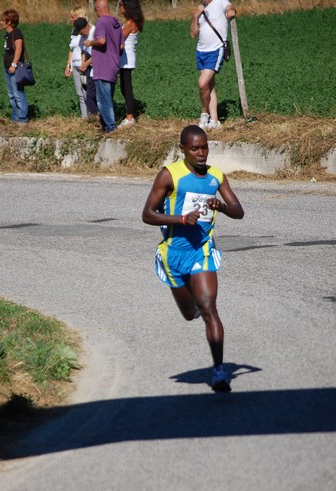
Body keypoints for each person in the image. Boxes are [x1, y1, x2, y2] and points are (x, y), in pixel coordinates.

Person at [142, 125, 244, 392]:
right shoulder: (169, 175)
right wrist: (181, 219)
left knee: (210, 308)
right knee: (191, 314)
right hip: (173, 254)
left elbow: (238, 211)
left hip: (202, 250)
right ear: (183, 150)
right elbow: (148, 214)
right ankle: (196, 305)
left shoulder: (216, 176)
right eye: (195, 148)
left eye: (205, 147)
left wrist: (220, 205)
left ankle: (220, 372)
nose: (201, 153)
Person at [190, 0, 236, 130]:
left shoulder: (219, 1)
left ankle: (204, 113)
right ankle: (214, 121)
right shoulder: (201, 8)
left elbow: (230, 7)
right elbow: (193, 34)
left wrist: (230, 11)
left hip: (215, 50)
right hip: (201, 51)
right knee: (210, 86)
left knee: (202, 83)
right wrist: (195, 16)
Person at [84, 0, 124, 133]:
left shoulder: (101, 22)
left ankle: (110, 128)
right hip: (113, 65)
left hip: (102, 66)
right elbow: (121, 46)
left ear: (97, 8)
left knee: (103, 101)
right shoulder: (116, 23)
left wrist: (90, 42)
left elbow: (101, 40)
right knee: (108, 98)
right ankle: (105, 125)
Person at [118, 0, 144, 127]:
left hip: (125, 57)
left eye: (121, 4)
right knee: (124, 86)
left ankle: (130, 117)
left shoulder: (129, 23)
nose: (119, 7)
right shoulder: (132, 21)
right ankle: (130, 113)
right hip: (126, 57)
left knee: (126, 87)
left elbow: (119, 39)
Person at [1, 9, 28, 124]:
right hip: (7, 68)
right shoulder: (8, 34)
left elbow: (19, 49)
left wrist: (13, 64)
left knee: (18, 93)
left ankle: (22, 119)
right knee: (11, 94)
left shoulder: (16, 33)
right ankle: (15, 117)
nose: (1, 22)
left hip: (14, 68)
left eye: (3, 20)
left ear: (9, 22)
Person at [65, 9, 89, 119]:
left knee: (86, 92)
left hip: (83, 65)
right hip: (74, 64)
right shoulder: (74, 31)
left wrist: (84, 64)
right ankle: (84, 118)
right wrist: (68, 64)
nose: (70, 19)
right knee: (79, 93)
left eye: (72, 17)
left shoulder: (86, 31)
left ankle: (92, 115)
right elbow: (71, 49)